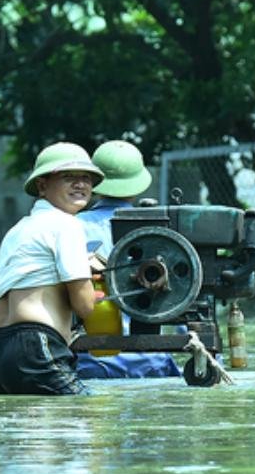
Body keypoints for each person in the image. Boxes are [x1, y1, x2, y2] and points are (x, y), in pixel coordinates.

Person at [0, 142, 105, 396]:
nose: (80, 184)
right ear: (42, 185)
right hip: (36, 347)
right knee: (90, 417)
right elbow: (84, 306)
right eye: (68, 177)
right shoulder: (66, 225)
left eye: (86, 178)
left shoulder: (17, 230)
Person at [75, 139, 182, 379]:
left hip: (89, 362)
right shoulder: (162, 231)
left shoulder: (70, 228)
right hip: (151, 362)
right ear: (138, 185)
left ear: (94, 182)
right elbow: (186, 303)